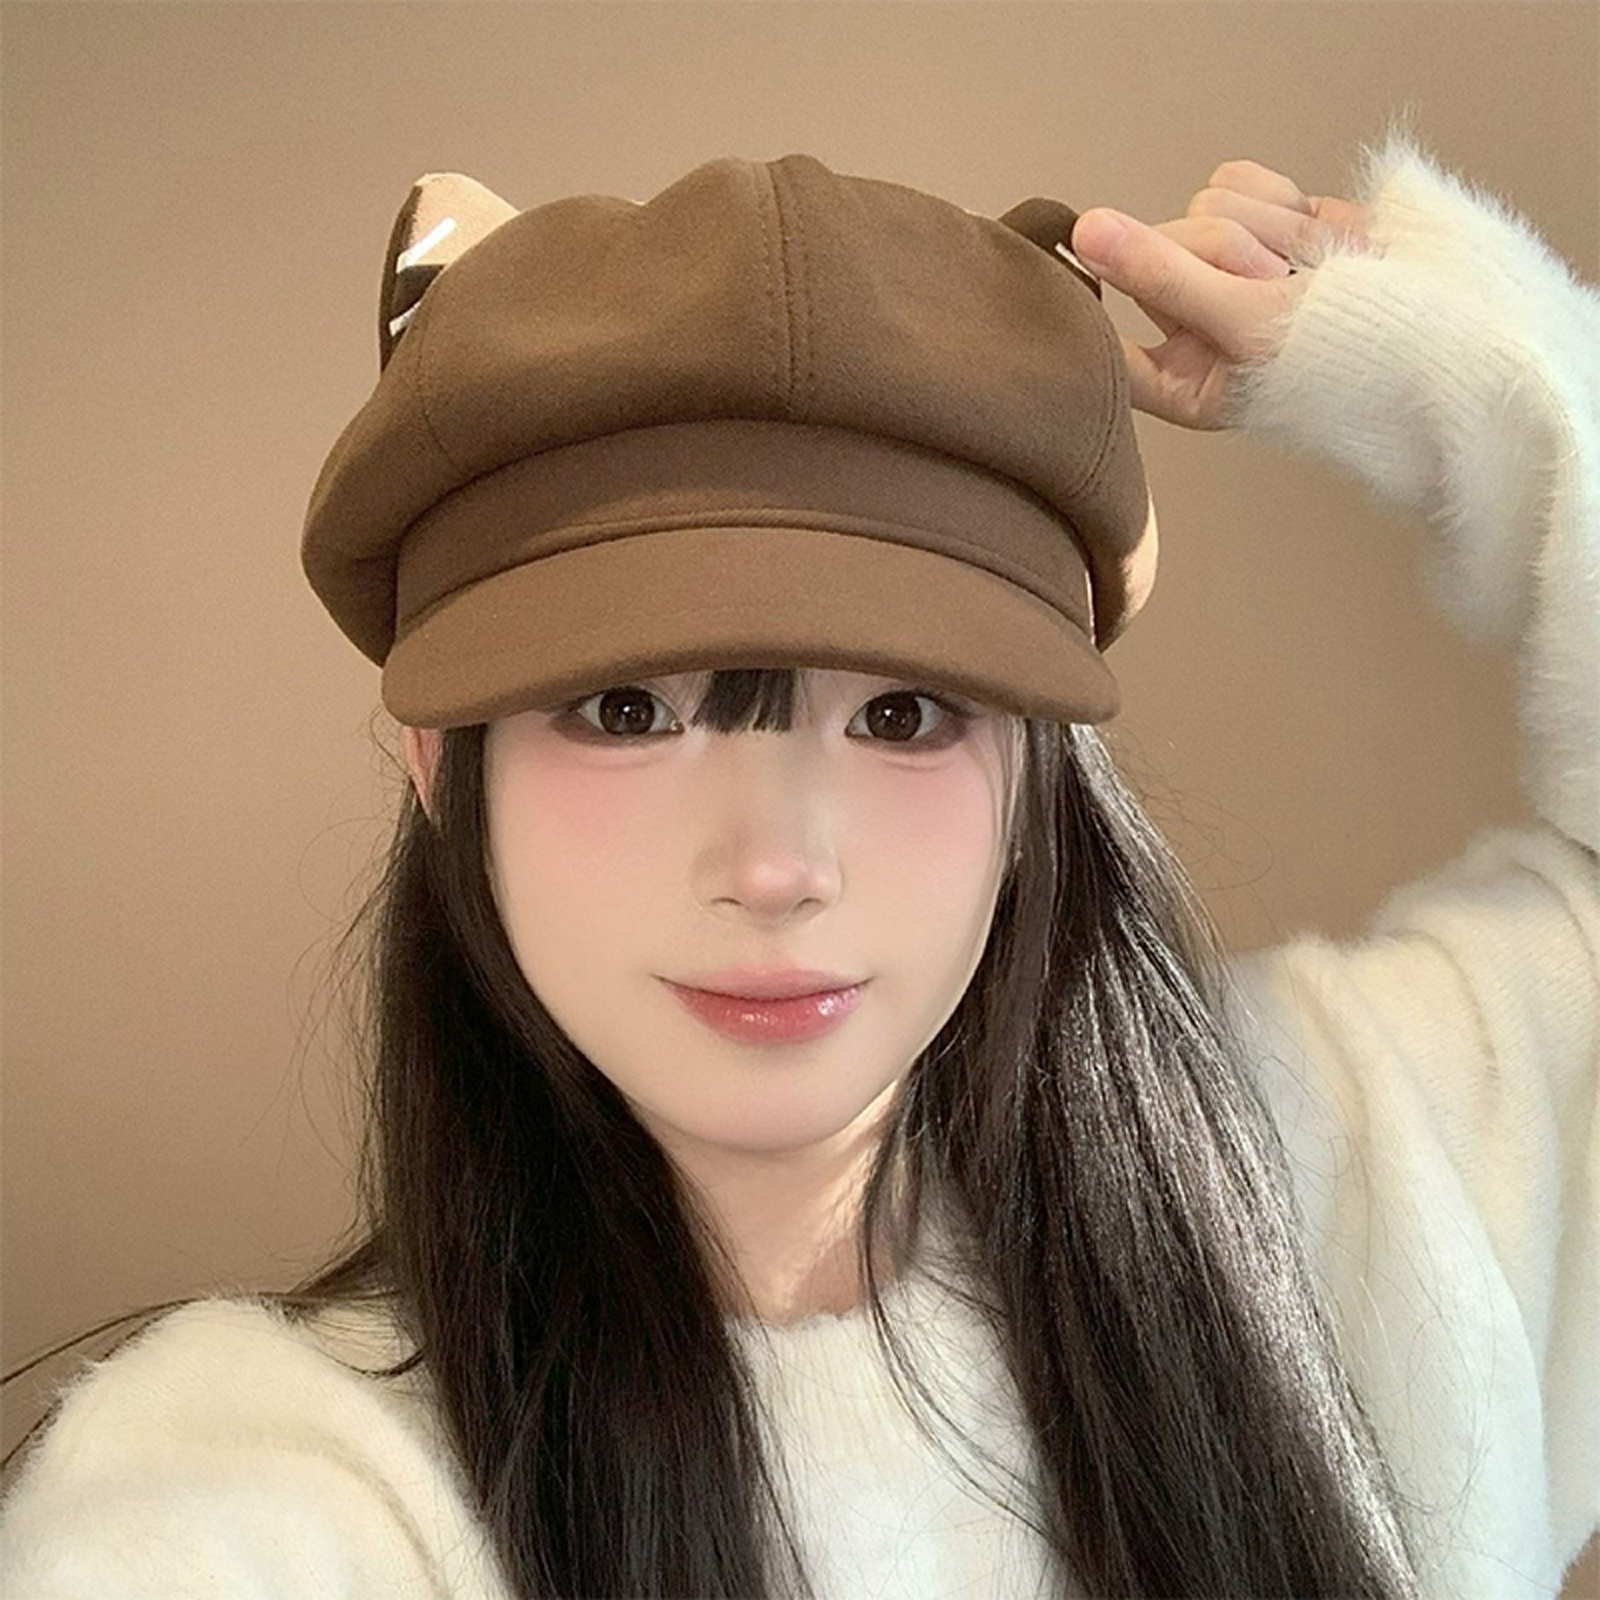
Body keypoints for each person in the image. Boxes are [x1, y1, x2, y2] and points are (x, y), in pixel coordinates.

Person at [1, 122, 1595, 1600]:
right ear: (439, 762)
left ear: (1038, 777)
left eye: (903, 714)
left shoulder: (1364, 1189)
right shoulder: (269, 1493)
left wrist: (1494, 380)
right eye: (627, 709)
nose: (776, 868)